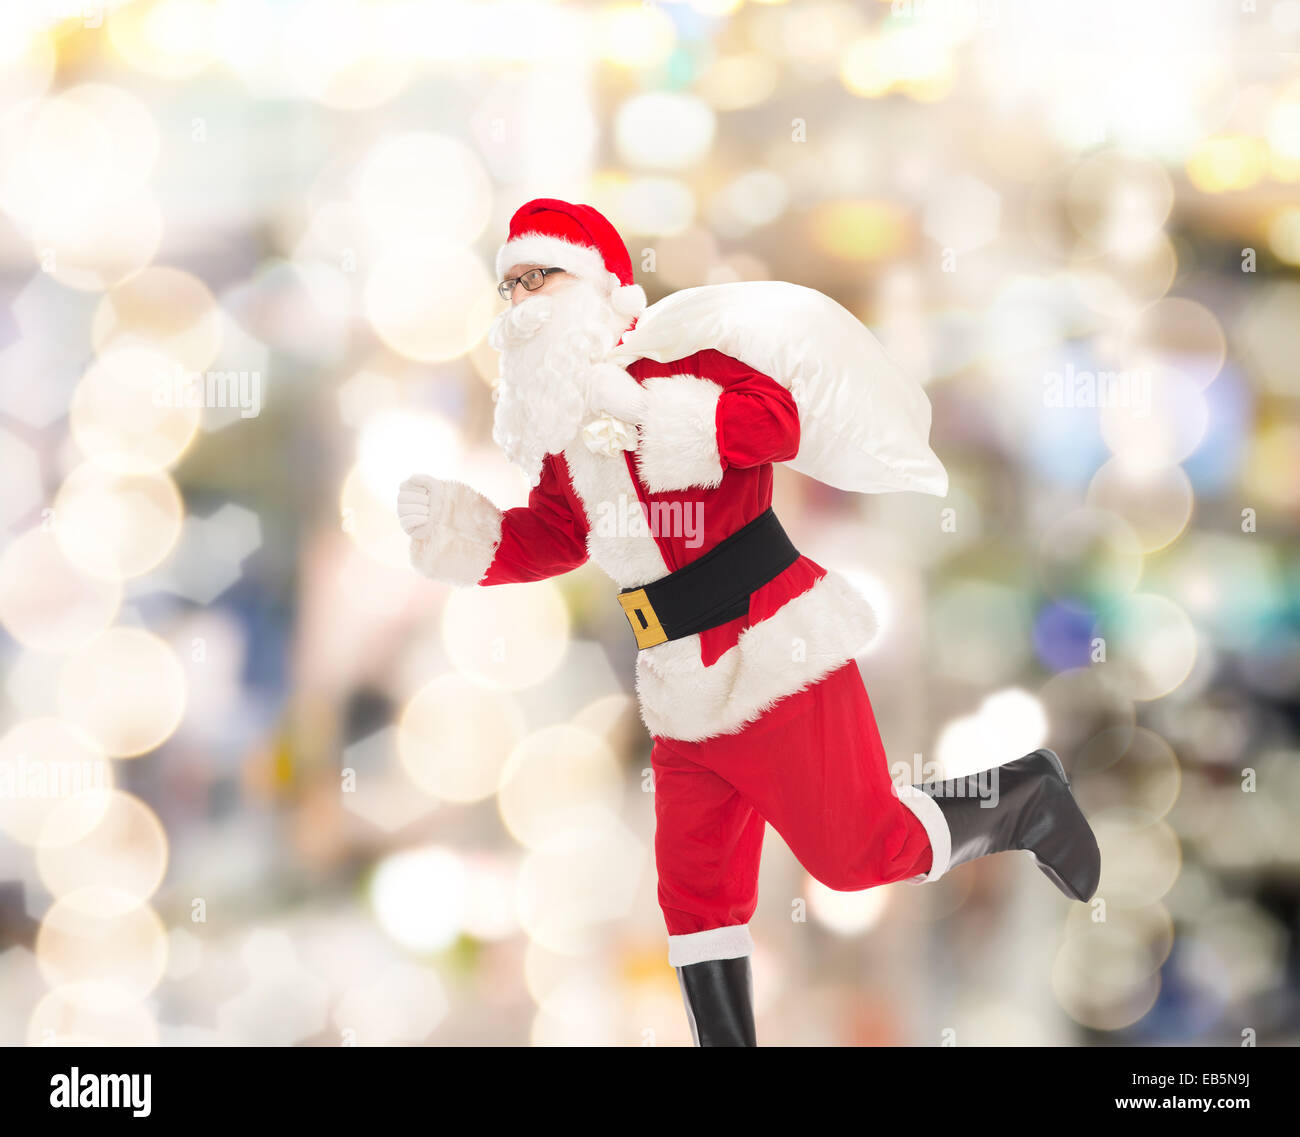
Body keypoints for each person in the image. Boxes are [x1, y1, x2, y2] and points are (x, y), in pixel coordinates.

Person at [396, 197, 1102, 1047]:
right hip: (677, 682)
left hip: (772, 646)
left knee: (855, 855)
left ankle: (1022, 797)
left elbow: (777, 422)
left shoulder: (674, 363)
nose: (519, 303)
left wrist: (668, 414)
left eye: (536, 277)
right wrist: (467, 540)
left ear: (597, 289)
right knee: (694, 893)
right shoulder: (565, 443)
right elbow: (557, 534)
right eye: (507, 285)